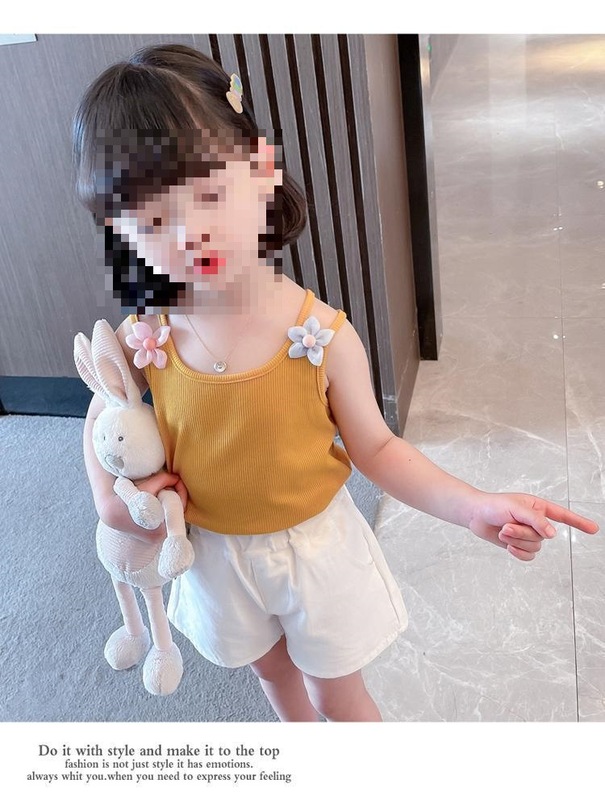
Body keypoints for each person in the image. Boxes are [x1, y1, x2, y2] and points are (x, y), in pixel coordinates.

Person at [74, 43, 599, 723]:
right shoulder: (148, 336)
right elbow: (105, 409)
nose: (188, 234)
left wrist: (471, 506)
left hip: (312, 553)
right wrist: (110, 503)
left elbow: (377, 449)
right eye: (151, 221)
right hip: (215, 555)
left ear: (261, 170)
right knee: (271, 669)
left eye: (208, 195)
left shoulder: (320, 335)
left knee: (337, 692)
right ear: (118, 232)